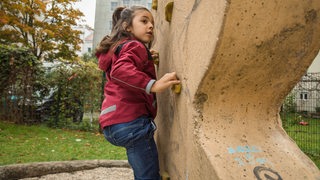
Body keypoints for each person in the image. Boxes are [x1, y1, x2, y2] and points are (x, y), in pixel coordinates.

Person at [95, 6, 180, 180]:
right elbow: (121, 70)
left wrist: (147, 57)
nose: (150, 26)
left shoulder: (117, 48)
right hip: (132, 123)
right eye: (144, 21)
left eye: (152, 23)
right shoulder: (135, 45)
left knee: (142, 174)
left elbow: (124, 65)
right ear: (127, 27)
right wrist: (153, 84)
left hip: (113, 126)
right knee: (148, 177)